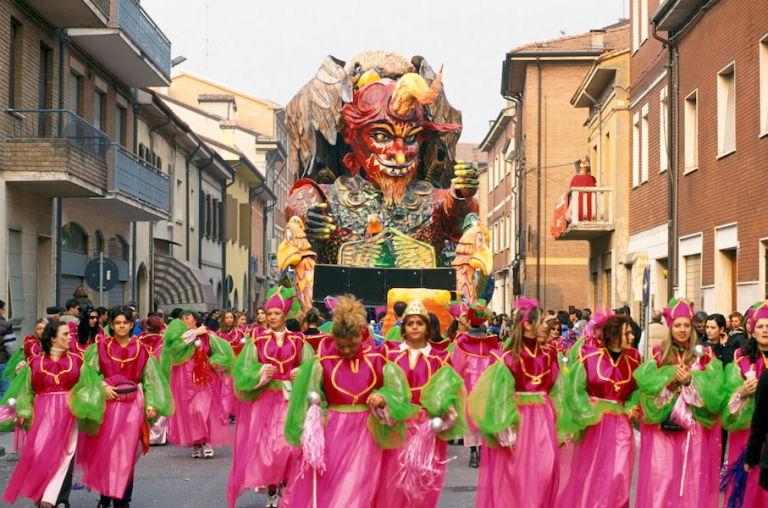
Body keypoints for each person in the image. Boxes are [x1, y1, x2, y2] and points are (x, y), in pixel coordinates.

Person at [281, 295, 415, 508]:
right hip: (333, 431)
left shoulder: (378, 361)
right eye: (341, 345)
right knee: (333, 484)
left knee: (360, 484)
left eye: (351, 345)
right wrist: (313, 422)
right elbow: (307, 399)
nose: (345, 351)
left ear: (360, 338)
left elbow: (398, 394)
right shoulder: (321, 362)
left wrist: (382, 399)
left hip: (367, 433)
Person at [73, 305, 172, 508]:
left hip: (132, 407)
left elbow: (152, 378)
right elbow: (87, 374)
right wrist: (102, 386)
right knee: (105, 451)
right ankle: (105, 496)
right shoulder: (100, 347)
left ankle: (123, 499)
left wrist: (151, 402)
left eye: (125, 323)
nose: (121, 326)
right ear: (111, 324)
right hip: (106, 405)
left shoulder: (142, 349)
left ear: (131, 324)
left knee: (125, 453)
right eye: (117, 323)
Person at [469, 296, 560, 507]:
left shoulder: (550, 354)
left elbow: (558, 392)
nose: (547, 325)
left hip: (544, 422)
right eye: (542, 321)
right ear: (528, 325)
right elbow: (499, 398)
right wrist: (506, 431)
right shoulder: (508, 359)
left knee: (545, 472)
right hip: (520, 422)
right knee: (519, 478)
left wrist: (562, 425)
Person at [633, 298, 724, 507]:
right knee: (661, 478)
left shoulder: (705, 355)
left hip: (694, 429)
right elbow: (647, 391)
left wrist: (691, 381)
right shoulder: (658, 354)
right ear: (670, 327)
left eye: (686, 325)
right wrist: (670, 379)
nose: (682, 330)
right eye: (677, 325)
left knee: (691, 477)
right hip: (662, 429)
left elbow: (715, 392)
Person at [373, 301, 465, 507]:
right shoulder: (389, 354)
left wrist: (441, 420)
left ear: (427, 328)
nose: (415, 327)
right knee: (393, 483)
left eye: (420, 323)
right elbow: (377, 384)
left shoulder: (440, 359)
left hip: (427, 431)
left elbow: (450, 395)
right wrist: (380, 402)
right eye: (410, 323)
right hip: (396, 428)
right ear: (403, 327)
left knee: (423, 487)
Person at [0, 320, 95, 507]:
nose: (70, 337)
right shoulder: (34, 363)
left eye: (70, 334)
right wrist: (24, 412)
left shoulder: (77, 360)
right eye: (65, 334)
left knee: (66, 455)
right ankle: (43, 494)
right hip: (42, 415)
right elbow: (25, 392)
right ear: (53, 338)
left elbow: (89, 386)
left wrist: (84, 402)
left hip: (69, 414)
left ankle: (58, 499)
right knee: (42, 455)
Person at [227, 287, 304, 508]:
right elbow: (242, 371)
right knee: (267, 448)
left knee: (289, 447)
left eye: (276, 313)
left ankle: (287, 485)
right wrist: (261, 372)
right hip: (265, 400)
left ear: (285, 315)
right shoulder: (257, 341)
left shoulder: (298, 341)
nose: (272, 317)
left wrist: (302, 372)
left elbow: (312, 366)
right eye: (269, 314)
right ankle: (271, 489)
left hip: (289, 400)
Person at [556, 315, 641, 507]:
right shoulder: (589, 356)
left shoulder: (635, 358)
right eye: (627, 333)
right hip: (594, 425)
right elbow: (575, 391)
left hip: (621, 426)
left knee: (620, 473)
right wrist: (587, 412)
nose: (632, 337)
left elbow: (637, 391)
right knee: (592, 473)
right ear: (613, 335)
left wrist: (631, 406)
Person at [163, 310, 234, 459]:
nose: (185, 320)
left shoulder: (208, 336)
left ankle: (206, 441)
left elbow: (223, 352)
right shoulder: (179, 337)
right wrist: (194, 333)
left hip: (203, 378)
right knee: (189, 412)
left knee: (202, 410)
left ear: (195, 319)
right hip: (184, 379)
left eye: (187, 317)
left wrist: (214, 362)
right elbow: (174, 350)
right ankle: (197, 443)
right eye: (182, 318)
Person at [723, 300, 768, 506]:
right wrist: (742, 392)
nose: (765, 330)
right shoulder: (741, 359)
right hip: (746, 433)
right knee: (749, 485)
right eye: (761, 326)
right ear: (752, 330)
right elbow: (727, 403)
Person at [450, 301, 496, 468]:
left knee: (470, 420)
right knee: (482, 418)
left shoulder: (461, 342)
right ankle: (482, 449)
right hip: (486, 387)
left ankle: (473, 453)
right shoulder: (491, 342)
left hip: (469, 386)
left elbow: (457, 367)